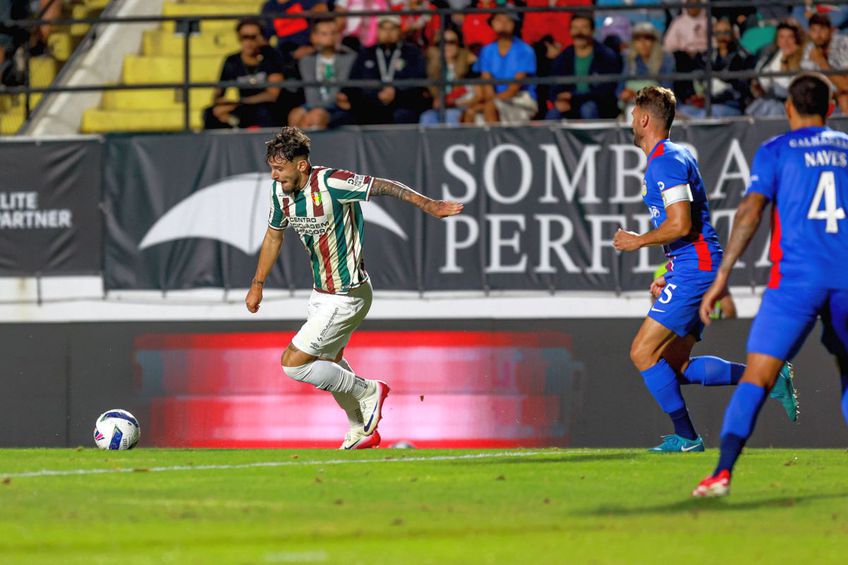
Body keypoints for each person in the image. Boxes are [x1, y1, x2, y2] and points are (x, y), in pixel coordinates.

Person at [246, 127, 464, 449]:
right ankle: (360, 429)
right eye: (272, 168)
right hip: (321, 293)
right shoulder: (280, 193)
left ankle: (369, 390)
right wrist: (257, 284)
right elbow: (273, 235)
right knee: (329, 362)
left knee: (294, 363)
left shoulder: (332, 183)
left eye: (279, 168)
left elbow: (385, 186)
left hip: (347, 293)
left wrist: (429, 204)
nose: (274, 175)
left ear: (301, 165)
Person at [612, 86, 798, 453]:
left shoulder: (665, 161)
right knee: (675, 366)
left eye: (633, 115)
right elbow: (689, 228)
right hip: (693, 267)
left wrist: (638, 241)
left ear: (645, 119)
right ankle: (769, 376)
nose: (631, 121)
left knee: (642, 352)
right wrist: (671, 271)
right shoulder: (673, 156)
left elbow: (681, 223)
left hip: (695, 270)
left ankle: (687, 438)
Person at [693, 73, 848, 497]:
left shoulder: (776, 150)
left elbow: (750, 212)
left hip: (795, 281)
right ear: (831, 107)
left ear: (788, 108)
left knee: (758, 377)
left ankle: (721, 473)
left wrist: (722, 276)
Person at [345, 14, 429, 125]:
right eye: (383, 28)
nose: (388, 33)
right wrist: (376, 94)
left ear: (399, 30)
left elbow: (419, 80)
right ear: (377, 30)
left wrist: (397, 92)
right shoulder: (366, 53)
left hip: (402, 104)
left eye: (392, 28)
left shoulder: (412, 53)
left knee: (404, 114)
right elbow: (355, 81)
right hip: (371, 105)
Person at [204, 18, 285, 130]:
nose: (249, 42)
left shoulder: (271, 58)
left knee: (265, 111)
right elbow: (218, 93)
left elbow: (272, 95)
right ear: (239, 38)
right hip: (243, 109)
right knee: (210, 113)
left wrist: (240, 102)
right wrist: (222, 106)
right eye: (245, 37)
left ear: (261, 38)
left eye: (253, 37)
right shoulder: (232, 61)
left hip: (265, 107)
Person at [463, 10, 537, 125]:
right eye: (498, 20)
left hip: (520, 99)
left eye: (508, 20)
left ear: (514, 24)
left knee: (490, 108)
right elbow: (487, 82)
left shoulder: (525, 50)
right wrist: (488, 100)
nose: (503, 23)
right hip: (494, 99)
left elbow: (514, 88)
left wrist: (490, 102)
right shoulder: (487, 50)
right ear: (492, 23)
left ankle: (494, 137)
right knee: (470, 112)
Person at [546, 12, 621, 120]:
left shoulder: (606, 56)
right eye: (575, 28)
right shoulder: (563, 57)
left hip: (598, 105)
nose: (579, 33)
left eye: (584, 28)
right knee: (553, 114)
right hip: (570, 104)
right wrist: (557, 100)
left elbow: (606, 91)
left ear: (592, 31)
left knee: (588, 109)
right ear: (570, 31)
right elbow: (553, 87)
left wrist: (574, 97)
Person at [288, 17, 356, 129]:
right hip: (313, 104)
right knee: (295, 115)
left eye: (333, 33)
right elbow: (310, 91)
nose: (330, 37)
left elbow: (338, 90)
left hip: (338, 106)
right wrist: (312, 109)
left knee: (316, 117)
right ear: (314, 37)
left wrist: (317, 110)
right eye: (324, 33)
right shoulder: (307, 60)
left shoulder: (349, 58)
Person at [678, 18, 753, 119]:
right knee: (683, 111)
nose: (722, 37)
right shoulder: (707, 56)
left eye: (726, 32)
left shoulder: (743, 56)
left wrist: (713, 94)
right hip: (707, 103)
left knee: (709, 114)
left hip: (731, 104)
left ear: (733, 34)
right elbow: (698, 77)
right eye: (718, 33)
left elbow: (741, 90)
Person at [747, 19, 805, 118]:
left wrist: (785, 60)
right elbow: (760, 79)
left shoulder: (803, 59)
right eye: (782, 37)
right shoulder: (770, 56)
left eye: (790, 37)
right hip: (767, 100)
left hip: (790, 104)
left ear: (796, 39)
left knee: (772, 107)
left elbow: (788, 86)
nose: (785, 42)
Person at [420, 26, 476, 126]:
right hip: (438, 107)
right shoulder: (431, 65)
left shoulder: (468, 63)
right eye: (442, 43)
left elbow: (475, 92)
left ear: (458, 44)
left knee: (451, 115)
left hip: (459, 105)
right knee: (427, 117)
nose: (447, 46)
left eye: (451, 42)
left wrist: (451, 102)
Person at [617, 22, 674, 117]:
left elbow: (667, 90)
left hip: (658, 107)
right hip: (633, 104)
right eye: (638, 39)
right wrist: (624, 94)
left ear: (654, 41)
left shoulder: (666, 58)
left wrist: (638, 94)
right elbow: (620, 89)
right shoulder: (629, 58)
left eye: (647, 38)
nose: (643, 43)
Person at [801, 13, 848, 113]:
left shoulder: (843, 44)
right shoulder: (809, 49)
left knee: (845, 98)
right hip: (825, 94)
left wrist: (821, 62)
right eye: (814, 30)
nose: (818, 35)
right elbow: (808, 83)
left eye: (822, 30)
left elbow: (846, 85)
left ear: (831, 30)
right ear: (809, 32)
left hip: (841, 94)